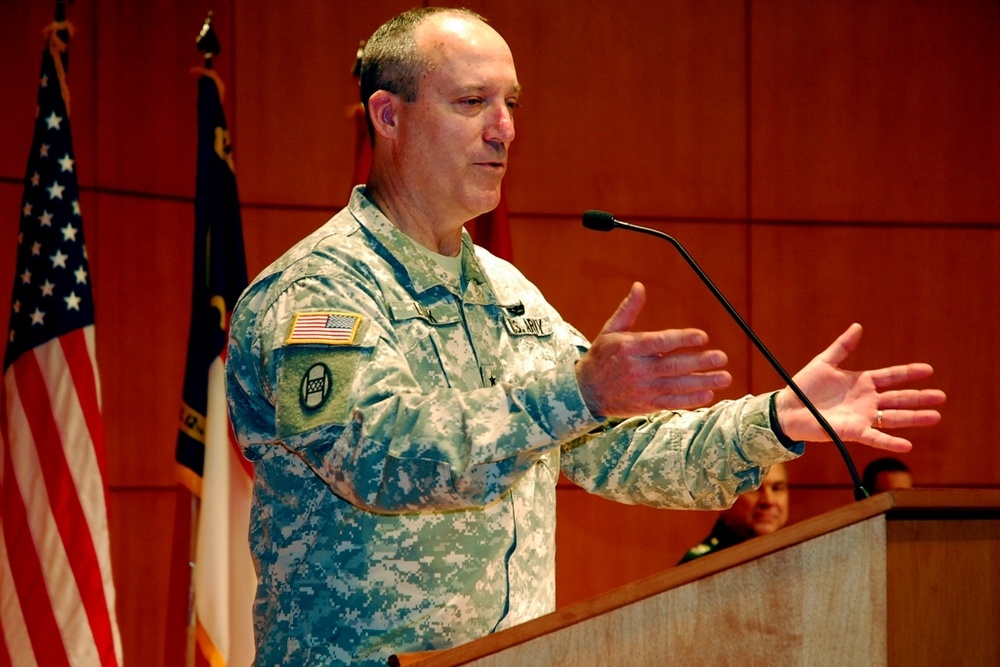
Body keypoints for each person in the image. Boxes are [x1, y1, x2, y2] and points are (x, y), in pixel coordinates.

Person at [225, 7, 946, 665]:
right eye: (472, 102)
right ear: (387, 115)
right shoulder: (317, 296)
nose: (504, 127)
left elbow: (619, 446)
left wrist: (774, 420)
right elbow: (377, 457)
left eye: (511, 104)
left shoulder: (508, 294)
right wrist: (573, 395)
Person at [678, 462, 790, 563]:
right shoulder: (699, 564)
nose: (768, 501)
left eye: (777, 488)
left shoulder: (794, 557)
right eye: (755, 488)